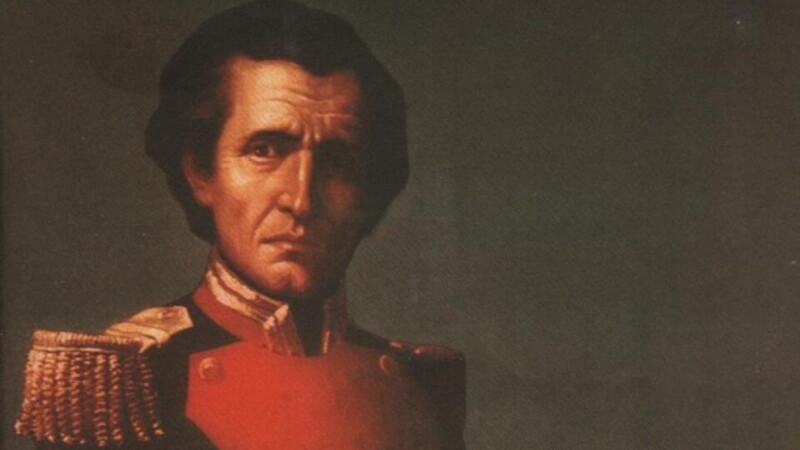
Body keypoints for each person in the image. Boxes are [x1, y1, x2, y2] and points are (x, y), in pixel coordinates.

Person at [14, 1, 466, 449]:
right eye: (264, 150)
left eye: (337, 162)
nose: (301, 200)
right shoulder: (122, 381)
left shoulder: (420, 381)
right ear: (201, 171)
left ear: (369, 188)